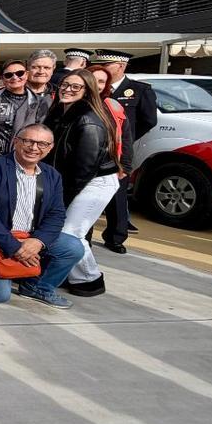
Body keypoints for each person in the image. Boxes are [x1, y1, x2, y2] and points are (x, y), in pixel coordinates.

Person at [0, 124, 84, 308]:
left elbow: (56, 215)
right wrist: (15, 248)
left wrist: (37, 242)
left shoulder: (52, 175)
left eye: (42, 144)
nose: (34, 148)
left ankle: (37, 287)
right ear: (16, 142)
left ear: (50, 148)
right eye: (28, 141)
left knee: (73, 247)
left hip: (30, 237)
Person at [43, 69, 123, 297]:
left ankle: (89, 278)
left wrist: (62, 198)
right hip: (72, 181)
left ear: (87, 91)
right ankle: (70, 274)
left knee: (71, 233)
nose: (67, 90)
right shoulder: (59, 112)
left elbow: (83, 168)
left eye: (75, 87)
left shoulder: (89, 120)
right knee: (67, 231)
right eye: (65, 85)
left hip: (93, 182)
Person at [91, 49, 158, 254]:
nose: (102, 70)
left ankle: (116, 236)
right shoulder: (94, 87)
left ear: (120, 66)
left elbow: (148, 120)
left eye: (107, 65)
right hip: (92, 149)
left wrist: (123, 140)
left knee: (118, 194)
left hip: (119, 152)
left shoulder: (139, 90)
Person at [0, 59, 51, 172]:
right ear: (3, 79)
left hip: (22, 160)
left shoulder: (40, 103)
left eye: (20, 73)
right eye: (9, 75)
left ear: (27, 74)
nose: (15, 77)